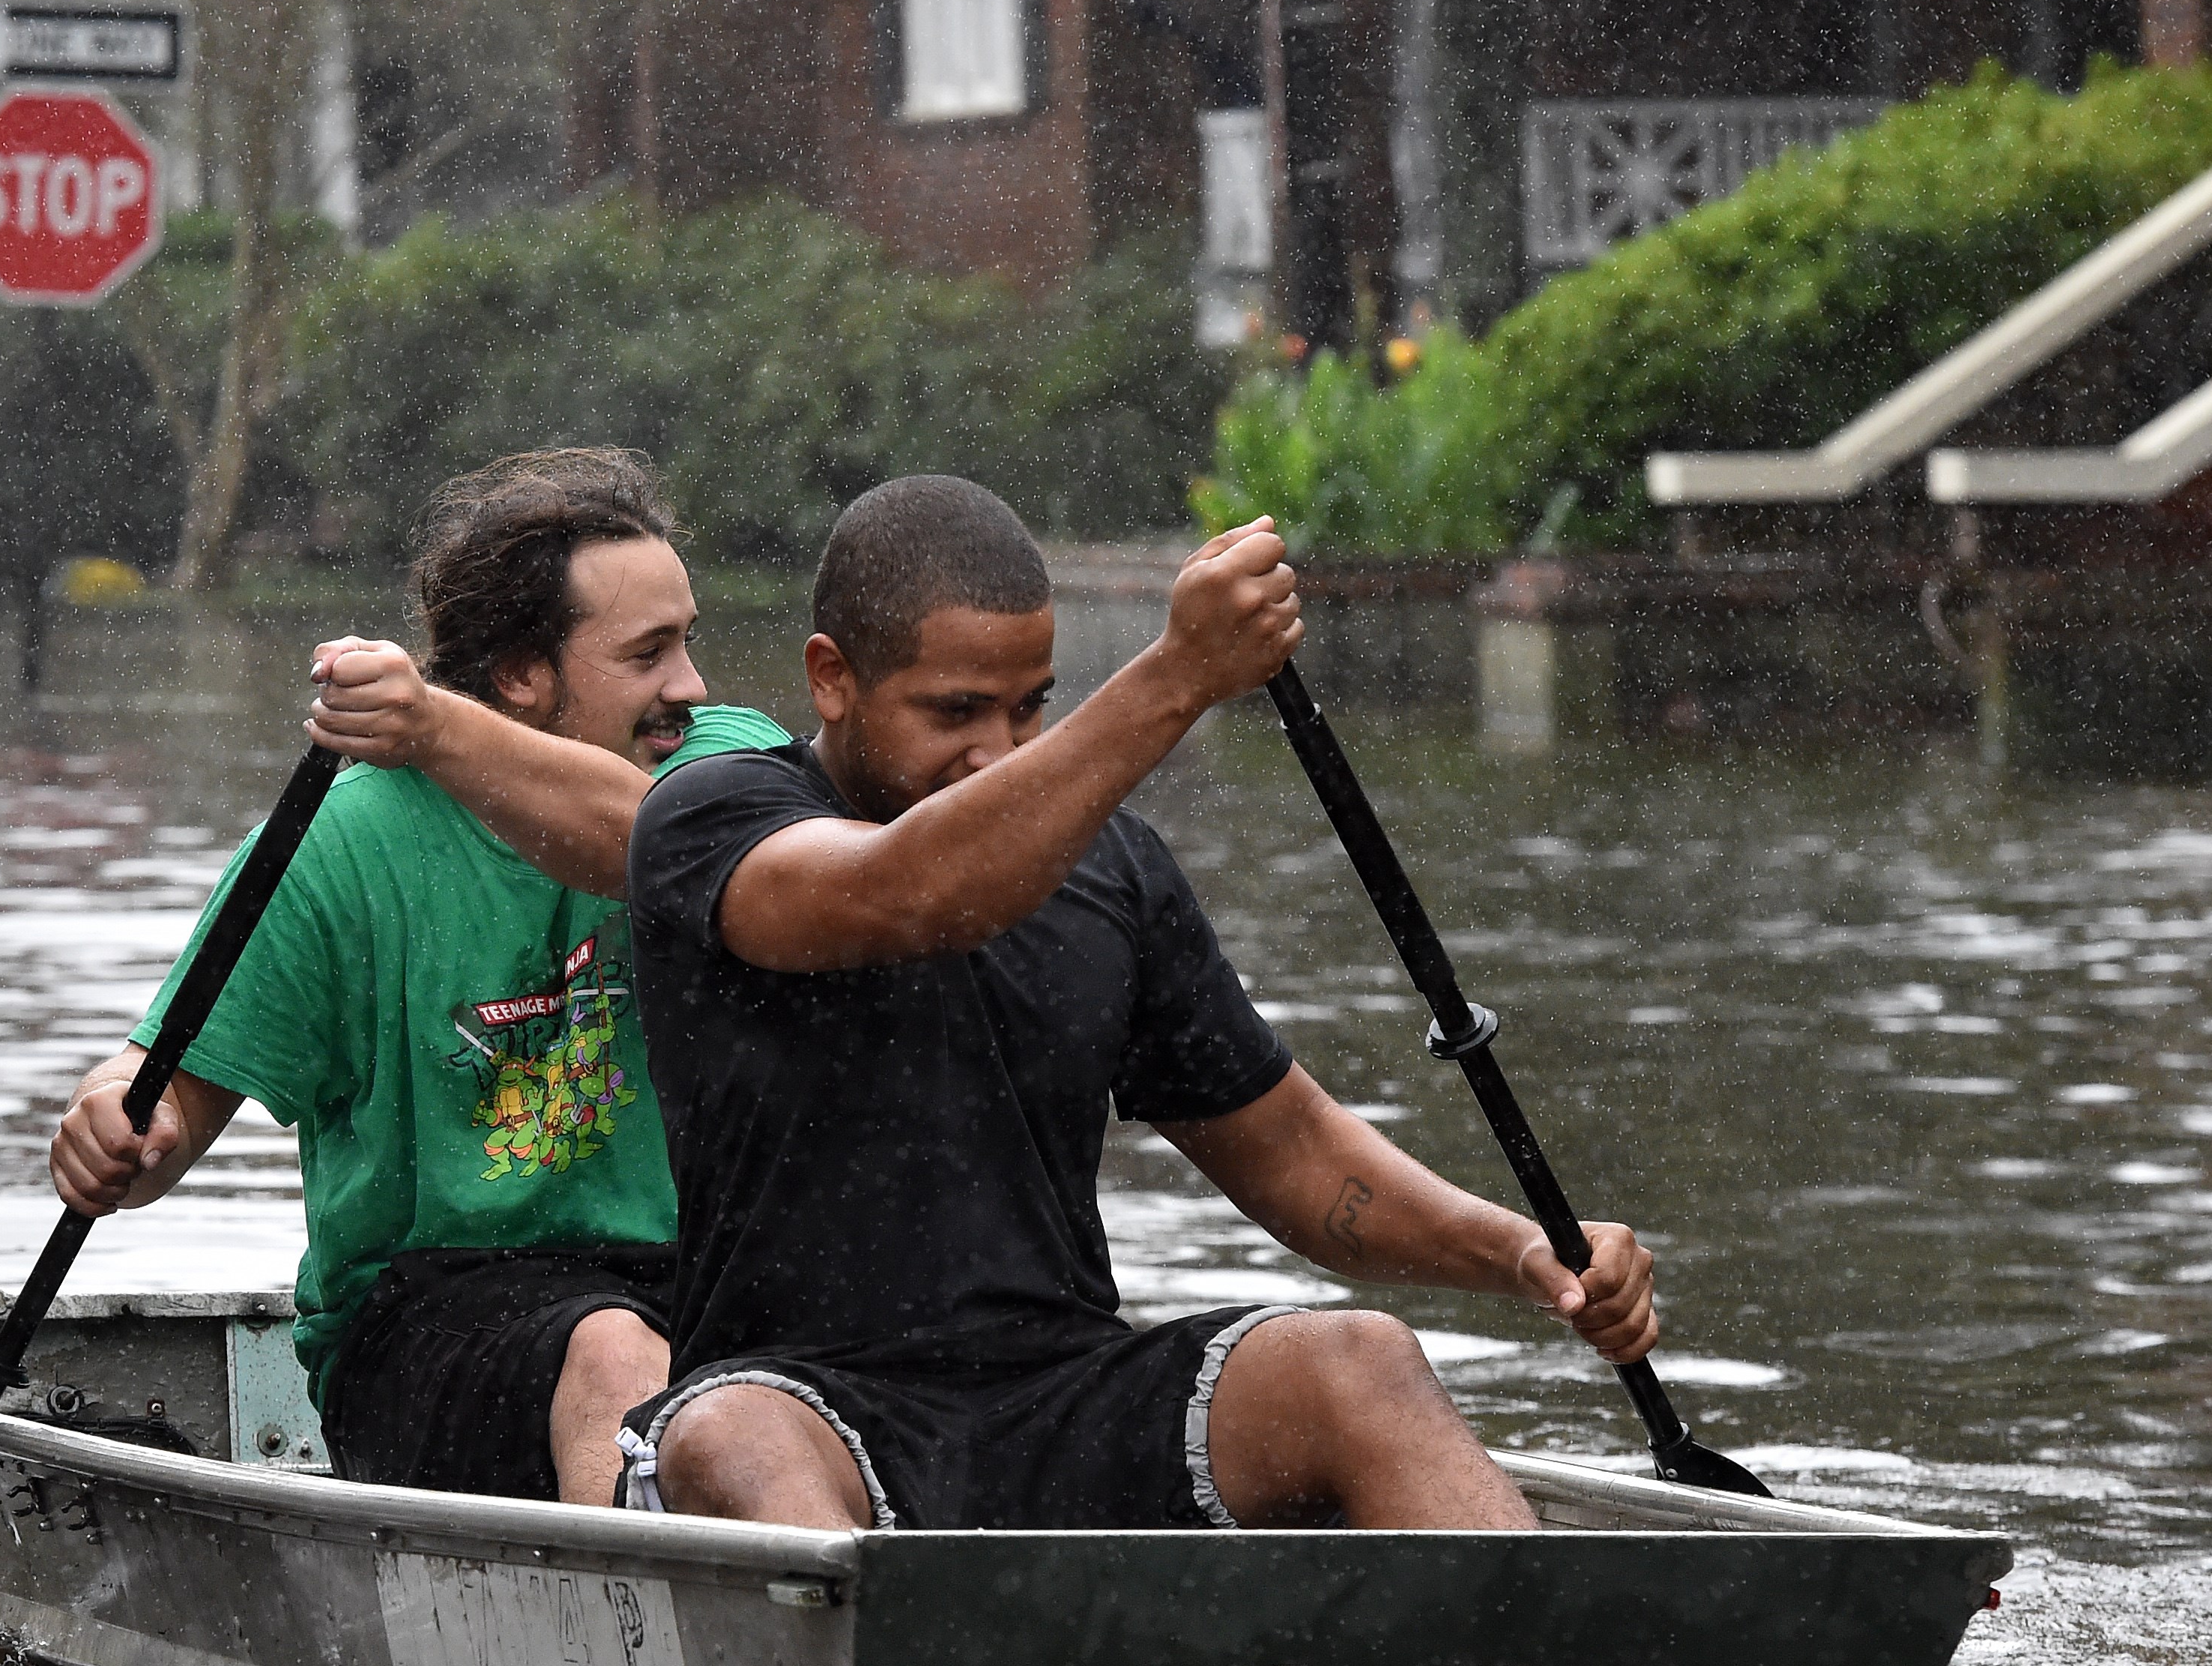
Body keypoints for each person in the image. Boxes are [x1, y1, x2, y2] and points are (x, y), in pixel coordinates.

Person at [616, 475, 1658, 1534]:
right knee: (730, 1437)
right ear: (831, 679)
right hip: (798, 1400)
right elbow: (911, 891)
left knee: (1361, 1360)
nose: (997, 752)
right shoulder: (709, 818)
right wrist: (1178, 675)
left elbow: (1294, 1151)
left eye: (1029, 706)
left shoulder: (1113, 870)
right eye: (954, 712)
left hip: (1062, 1394)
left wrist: (1527, 1253)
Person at [48, 450, 788, 1506]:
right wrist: (115, 1126)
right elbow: (167, 1086)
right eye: (650, 651)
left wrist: (440, 726)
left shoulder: (728, 769)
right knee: (616, 1355)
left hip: (698, 1281)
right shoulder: (342, 841)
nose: (692, 686)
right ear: (524, 672)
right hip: (429, 1316)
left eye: (690, 640)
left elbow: (661, 845)